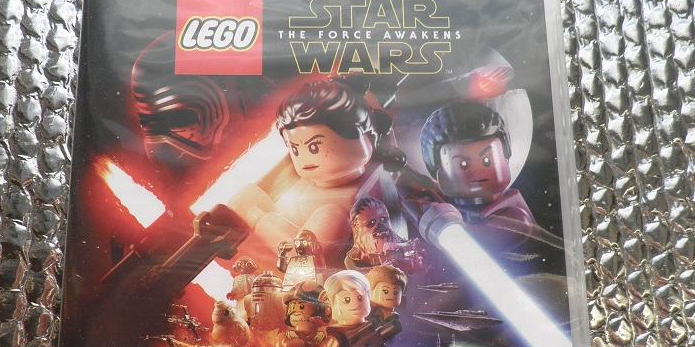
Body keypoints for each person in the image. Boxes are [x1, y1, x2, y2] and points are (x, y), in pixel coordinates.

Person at [229, 77, 401, 265]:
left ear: (362, 138)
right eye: (295, 149)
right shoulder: (376, 165)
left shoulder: (334, 210)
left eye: (313, 147)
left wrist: (255, 215)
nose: (304, 158)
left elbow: (305, 259)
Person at [419, 101, 534, 248]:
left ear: (505, 157)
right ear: (438, 172)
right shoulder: (441, 201)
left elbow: (466, 245)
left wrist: (436, 222)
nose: (476, 173)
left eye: (487, 161)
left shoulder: (516, 218)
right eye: (463, 164)